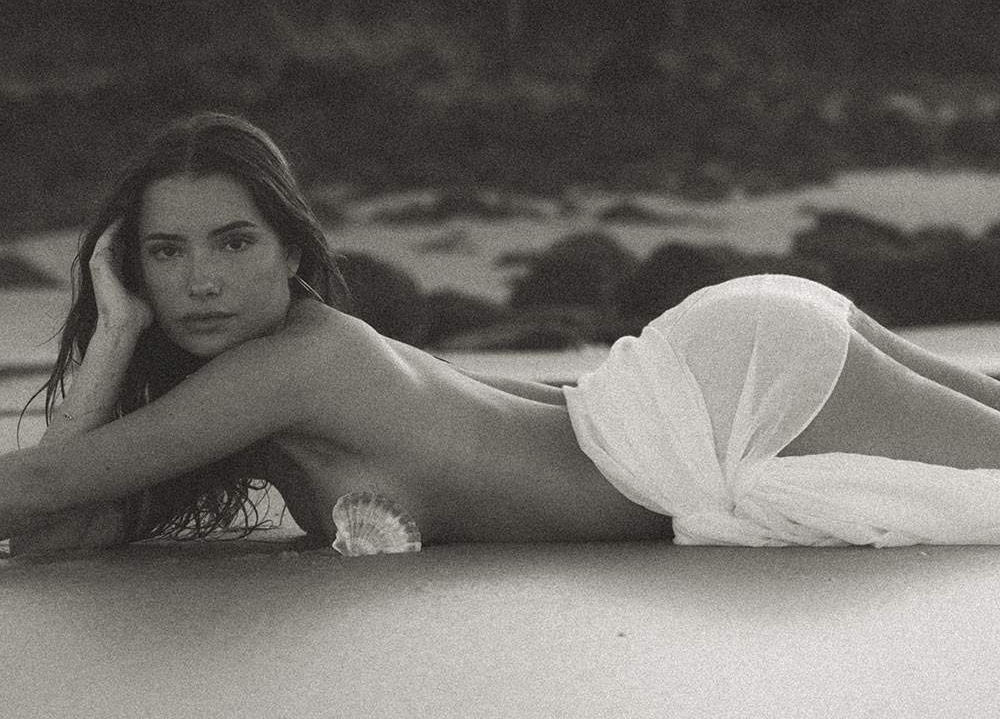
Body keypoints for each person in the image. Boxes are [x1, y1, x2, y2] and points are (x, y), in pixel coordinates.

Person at [5, 112, 1000, 558]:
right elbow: (63, 528)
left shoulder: (292, 365)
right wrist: (116, 335)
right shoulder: (265, 394)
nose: (202, 278)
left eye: (231, 242)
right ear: (135, 267)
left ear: (290, 253)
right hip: (721, 365)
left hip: (727, 400)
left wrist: (113, 342)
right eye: (166, 254)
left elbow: (36, 489)